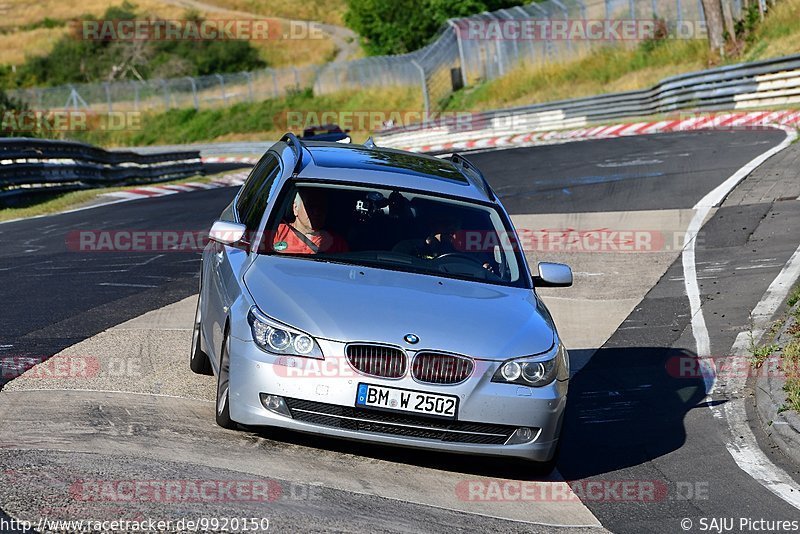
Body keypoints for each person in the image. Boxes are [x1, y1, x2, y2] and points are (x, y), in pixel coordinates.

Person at [273, 189, 348, 254]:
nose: (316, 212)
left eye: (321, 206)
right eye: (310, 206)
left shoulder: (336, 243)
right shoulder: (276, 232)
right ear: (295, 208)